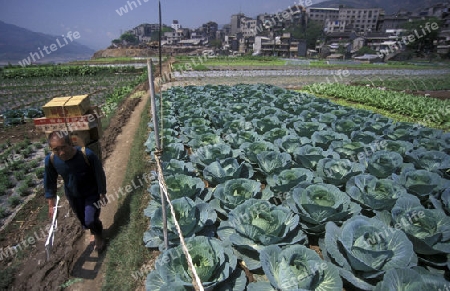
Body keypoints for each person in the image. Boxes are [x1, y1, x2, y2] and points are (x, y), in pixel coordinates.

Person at [44, 130, 107, 252]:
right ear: (51, 149)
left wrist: (102, 192)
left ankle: (98, 235)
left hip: (91, 193)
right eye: (56, 149)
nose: (61, 153)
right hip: (73, 195)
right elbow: (49, 181)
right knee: (82, 218)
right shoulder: (51, 160)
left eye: (64, 147)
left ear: (71, 144)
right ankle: (92, 229)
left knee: (90, 218)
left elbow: (99, 174)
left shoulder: (86, 155)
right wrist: (51, 203)